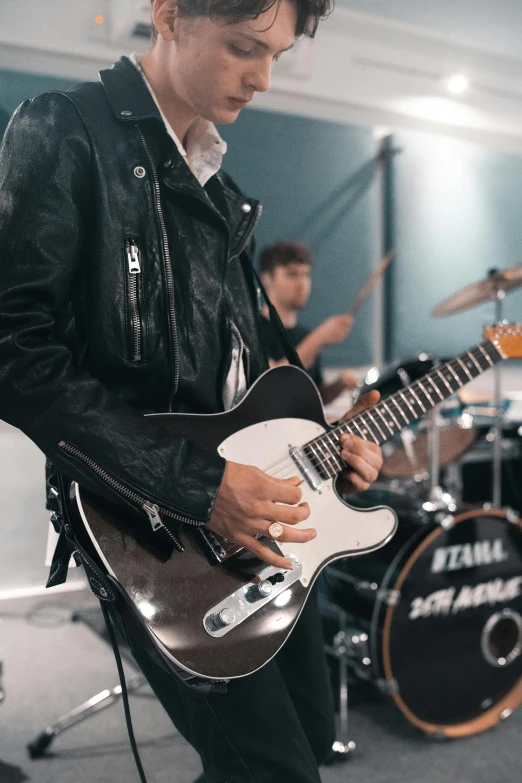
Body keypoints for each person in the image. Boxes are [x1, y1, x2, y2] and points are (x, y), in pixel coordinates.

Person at [0, 2, 383, 781]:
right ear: (168, 12)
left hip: (248, 517)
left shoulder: (222, 190)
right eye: (246, 49)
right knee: (271, 767)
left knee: (307, 738)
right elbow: (14, 354)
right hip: (145, 520)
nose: (265, 78)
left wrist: (330, 446)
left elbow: (253, 385)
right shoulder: (62, 130)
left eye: (277, 55)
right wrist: (200, 486)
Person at [259, 241, 359, 404]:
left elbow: (316, 397)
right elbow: (272, 384)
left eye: (306, 274)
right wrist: (320, 337)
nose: (302, 283)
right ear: (267, 279)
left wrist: (340, 384)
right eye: (292, 274)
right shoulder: (251, 329)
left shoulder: (305, 335)